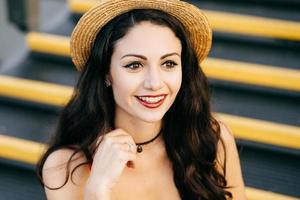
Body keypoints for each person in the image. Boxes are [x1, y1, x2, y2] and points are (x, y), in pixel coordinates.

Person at [37, 0, 246, 199]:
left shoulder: (211, 138)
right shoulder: (65, 167)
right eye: (134, 65)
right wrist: (98, 188)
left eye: (169, 64)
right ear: (106, 74)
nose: (154, 83)